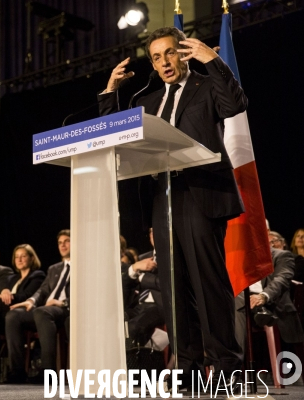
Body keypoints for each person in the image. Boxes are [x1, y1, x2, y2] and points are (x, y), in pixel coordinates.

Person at [98, 26, 247, 386]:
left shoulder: (207, 85)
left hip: (202, 192)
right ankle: (190, 368)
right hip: (163, 196)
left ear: (183, 53)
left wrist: (213, 61)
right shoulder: (146, 102)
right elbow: (113, 137)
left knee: (207, 284)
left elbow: (235, 105)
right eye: (156, 57)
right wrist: (110, 92)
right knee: (174, 286)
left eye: (169, 53)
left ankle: (226, 366)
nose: (163, 62)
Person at [5, 230, 70, 383]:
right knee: (13, 315)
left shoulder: (83, 266)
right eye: (60, 242)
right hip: (46, 309)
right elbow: (43, 290)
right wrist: (31, 301)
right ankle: (18, 372)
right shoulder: (55, 268)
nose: (63, 245)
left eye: (67, 241)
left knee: (42, 312)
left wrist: (63, 302)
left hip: (65, 309)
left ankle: (48, 373)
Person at [0, 244, 45, 382]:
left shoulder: (37, 275)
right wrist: (4, 291)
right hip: (5, 316)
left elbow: (27, 295)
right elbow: (2, 292)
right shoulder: (11, 278)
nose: (19, 260)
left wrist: (9, 295)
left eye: (23, 256)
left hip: (24, 313)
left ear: (32, 258)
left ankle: (17, 371)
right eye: (16, 257)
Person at [235, 248, 304, 352]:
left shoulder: (281, 255)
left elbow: (282, 279)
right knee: (237, 298)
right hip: (245, 303)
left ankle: (235, 360)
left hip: (272, 305)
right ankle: (260, 310)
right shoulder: (236, 259)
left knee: (238, 302)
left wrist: (264, 296)